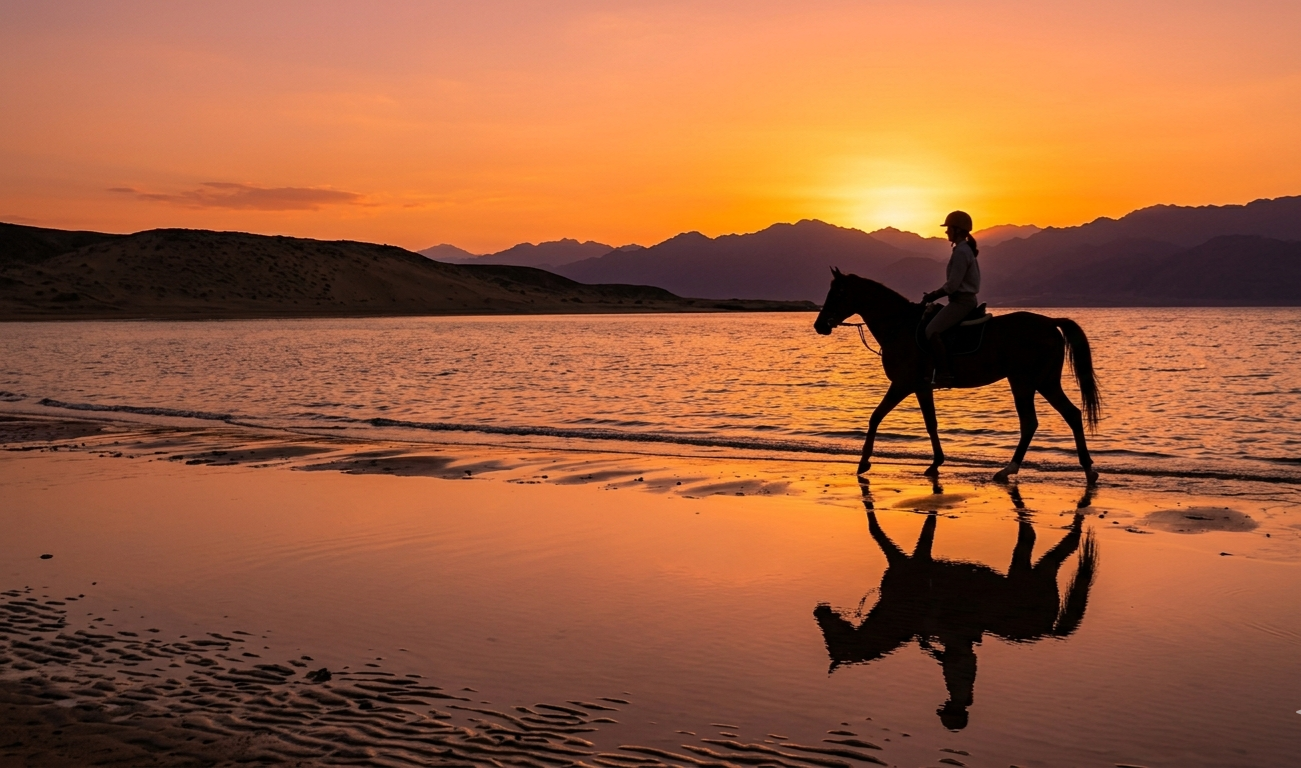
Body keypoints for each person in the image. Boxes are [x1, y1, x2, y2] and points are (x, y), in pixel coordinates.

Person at [920, 210, 981, 387]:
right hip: (961, 301)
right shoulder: (963, 249)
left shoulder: (961, 252)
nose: (946, 231)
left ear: (957, 230)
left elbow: (952, 285)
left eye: (949, 228)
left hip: (961, 302)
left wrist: (933, 295)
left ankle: (944, 374)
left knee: (931, 330)